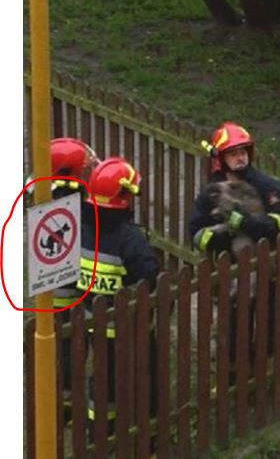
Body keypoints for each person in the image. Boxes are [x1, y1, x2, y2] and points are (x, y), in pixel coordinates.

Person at [188, 122, 280, 374]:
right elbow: (196, 234)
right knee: (234, 334)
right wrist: (223, 236)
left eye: (244, 151)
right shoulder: (211, 193)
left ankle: (260, 364)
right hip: (233, 275)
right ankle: (234, 377)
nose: (241, 157)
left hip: (272, 271)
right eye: (233, 153)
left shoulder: (267, 186)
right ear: (220, 158)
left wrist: (246, 223)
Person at [75, 157, 159, 436]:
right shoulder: (129, 238)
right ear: (124, 198)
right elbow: (150, 275)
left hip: (91, 323)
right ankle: (148, 427)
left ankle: (99, 430)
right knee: (145, 373)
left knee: (101, 379)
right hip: (129, 327)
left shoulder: (79, 228)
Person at [26, 137, 99, 416]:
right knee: (66, 346)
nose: (90, 171)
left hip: (53, 284)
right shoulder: (71, 205)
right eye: (85, 168)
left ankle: (63, 397)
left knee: (64, 344)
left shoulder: (46, 192)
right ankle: (65, 400)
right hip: (66, 287)